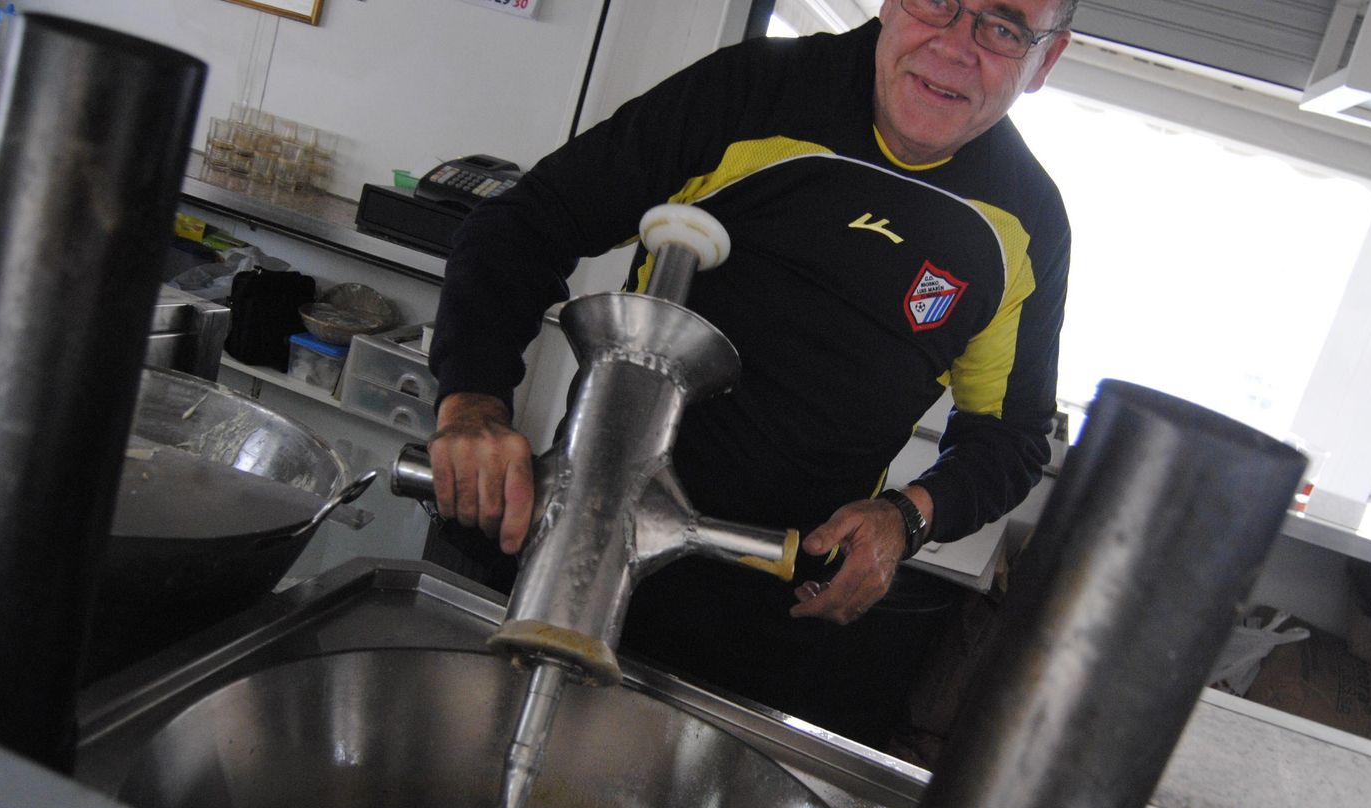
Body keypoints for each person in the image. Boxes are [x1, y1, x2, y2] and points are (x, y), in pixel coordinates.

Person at [424, 0, 1076, 747]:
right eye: (937, 1)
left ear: (1045, 61)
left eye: (1003, 28)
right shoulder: (752, 91)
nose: (955, 46)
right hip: (571, 545)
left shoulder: (1027, 223)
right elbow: (523, 226)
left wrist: (908, 518)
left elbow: (1011, 437)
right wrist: (472, 403)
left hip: (771, 613)